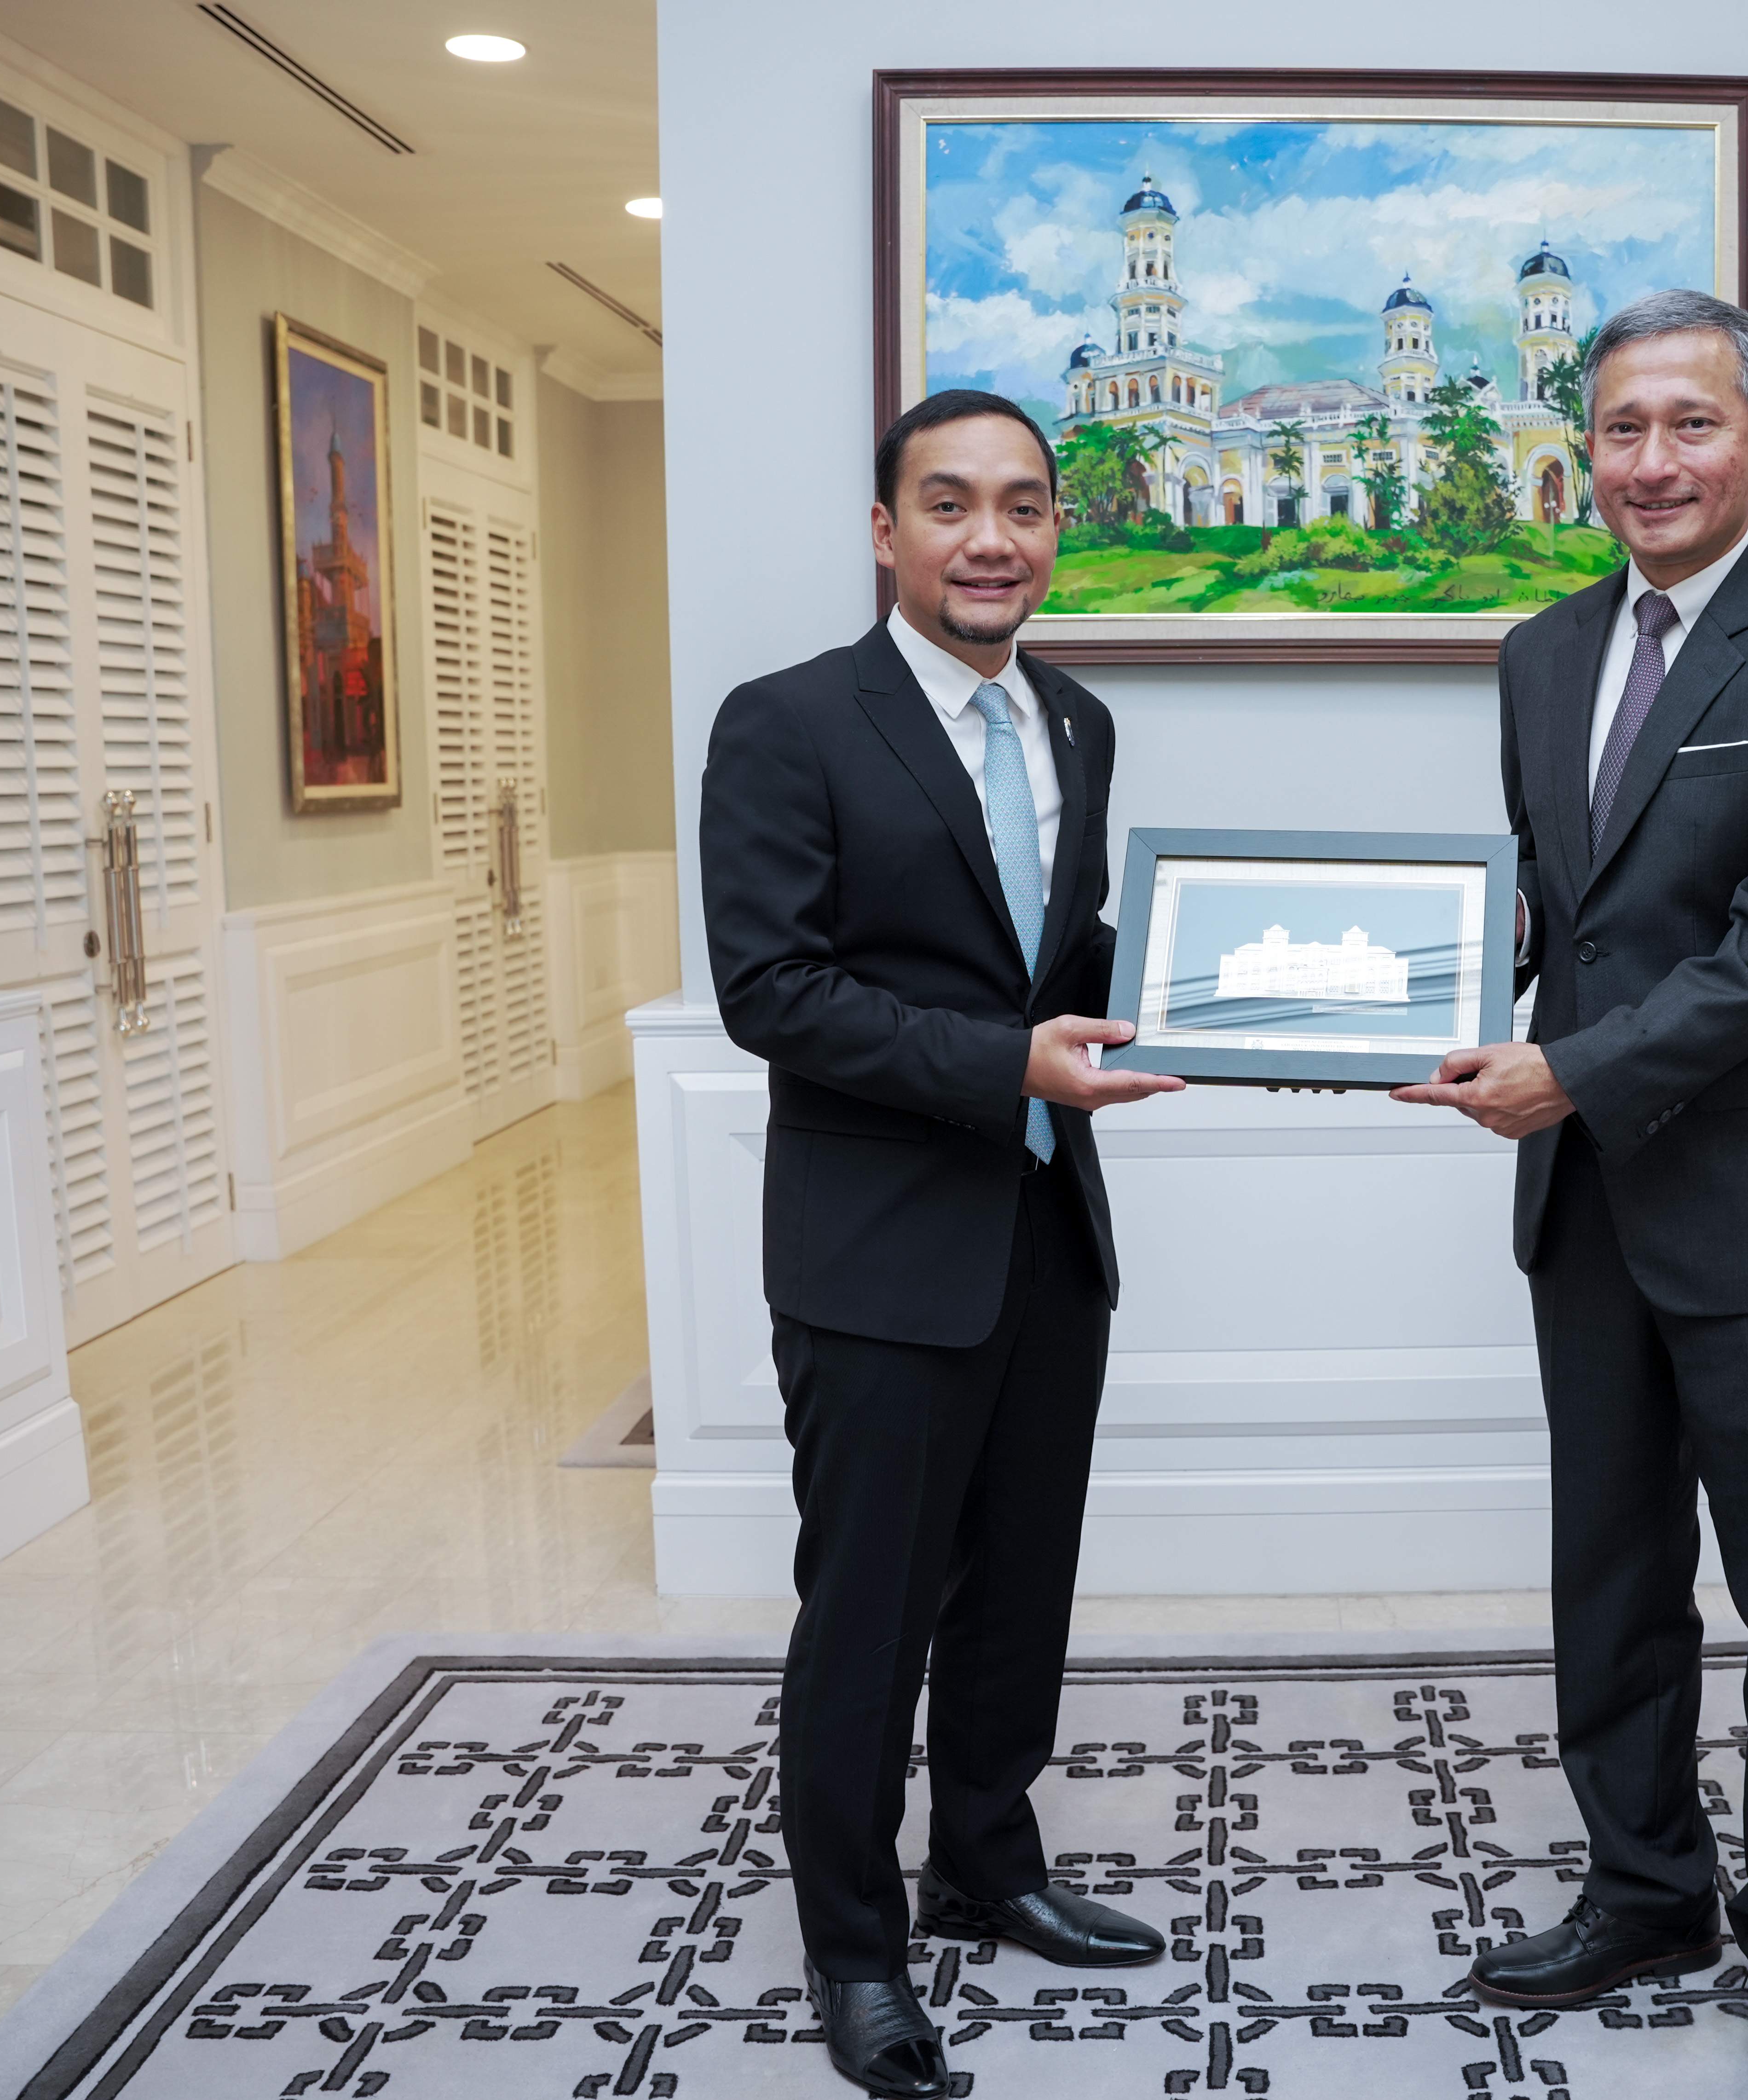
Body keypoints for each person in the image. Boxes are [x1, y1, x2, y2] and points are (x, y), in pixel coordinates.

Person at [1393, 290, 1748, 2100]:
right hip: (1588, 1207)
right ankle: (1640, 1889)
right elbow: (1558, 913)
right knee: (1607, 1579)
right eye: (1619, 428)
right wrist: (1411, 988)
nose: (1650, 461)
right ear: (1584, 454)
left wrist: (1571, 1071)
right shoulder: (1537, 654)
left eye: (1689, 425)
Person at [700, 389, 1183, 2098]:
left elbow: (1060, 948)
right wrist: (1007, 1064)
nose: (995, 538)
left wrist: (1252, 973)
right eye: (953, 504)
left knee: (1018, 1587)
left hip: (1049, 1225)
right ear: (887, 530)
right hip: (879, 1250)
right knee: (872, 1607)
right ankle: (855, 1943)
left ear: (1060, 530)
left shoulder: (1078, 718)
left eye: (1028, 508)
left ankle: (991, 1856)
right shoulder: (786, 723)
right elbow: (774, 991)